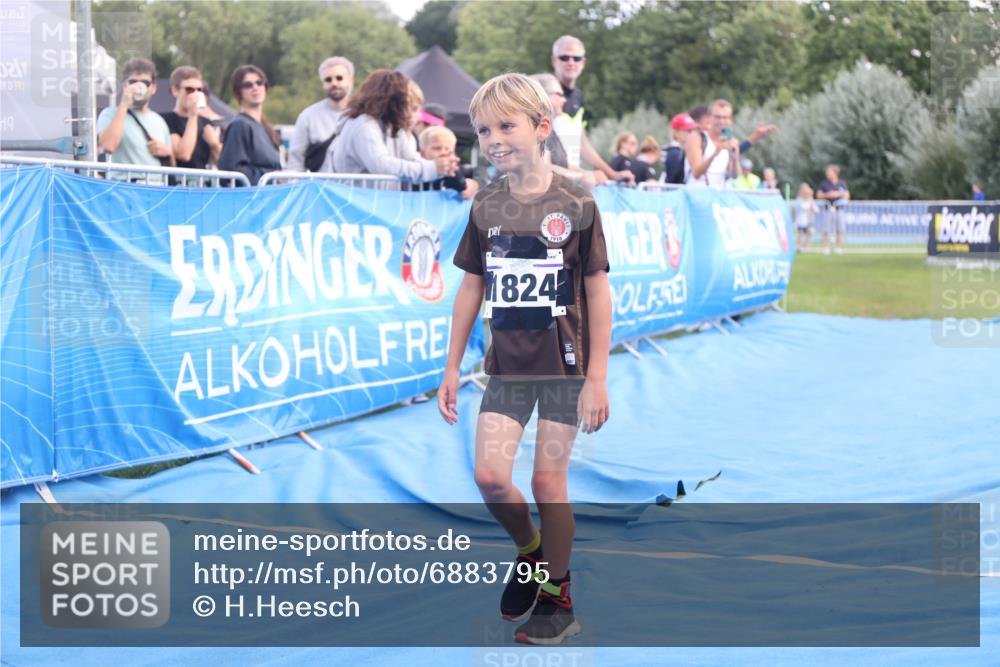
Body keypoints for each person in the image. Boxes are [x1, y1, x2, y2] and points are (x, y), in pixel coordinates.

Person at [438, 73, 611, 646]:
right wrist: (451, 366)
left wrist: (598, 378)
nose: (492, 138)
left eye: (506, 126)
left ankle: (559, 599)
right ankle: (531, 552)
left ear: (541, 128)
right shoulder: (486, 202)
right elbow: (471, 287)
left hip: (563, 370)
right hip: (506, 368)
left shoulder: (577, 201)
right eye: (483, 129)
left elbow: (597, 290)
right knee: (490, 477)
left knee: (546, 482)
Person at [327, 70, 458, 182]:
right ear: (392, 101)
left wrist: (445, 167)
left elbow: (411, 158)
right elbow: (381, 165)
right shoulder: (364, 125)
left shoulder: (392, 127)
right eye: (404, 102)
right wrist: (432, 168)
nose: (408, 110)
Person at [550, 35, 632, 183]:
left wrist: (613, 174)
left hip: (570, 182)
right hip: (547, 182)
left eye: (576, 58)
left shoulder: (578, 96)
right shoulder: (544, 93)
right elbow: (540, 152)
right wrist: (585, 175)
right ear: (554, 61)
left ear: (583, 63)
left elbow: (582, 143)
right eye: (564, 57)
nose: (571, 62)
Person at [96, 57, 173, 181]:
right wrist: (124, 104)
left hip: (156, 190)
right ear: (124, 85)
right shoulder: (110, 113)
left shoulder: (159, 121)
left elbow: (172, 163)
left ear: (153, 88)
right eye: (133, 82)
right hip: (125, 188)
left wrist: (166, 151)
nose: (139, 87)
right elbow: (108, 146)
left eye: (145, 83)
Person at [528, 73, 606, 190]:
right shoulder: (534, 132)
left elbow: (563, 164)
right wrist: (581, 177)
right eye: (559, 94)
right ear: (542, 97)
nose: (564, 100)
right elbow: (543, 168)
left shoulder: (549, 132)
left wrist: (587, 173)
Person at [287, 56, 354, 172]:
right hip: (320, 187)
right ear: (322, 83)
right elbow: (296, 158)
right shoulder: (308, 116)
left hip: (354, 187)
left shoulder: (363, 115)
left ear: (351, 79)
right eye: (328, 79)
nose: (334, 83)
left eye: (339, 78)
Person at [218, 65, 281, 185]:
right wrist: (272, 178)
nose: (255, 87)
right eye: (248, 85)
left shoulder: (265, 127)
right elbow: (233, 172)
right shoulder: (239, 126)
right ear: (238, 92)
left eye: (259, 82)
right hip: (250, 199)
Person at [161, 66, 223, 180]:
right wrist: (193, 114)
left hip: (202, 187)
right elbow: (184, 154)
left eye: (199, 90)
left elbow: (224, 165)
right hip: (177, 186)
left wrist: (215, 145)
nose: (195, 94)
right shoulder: (165, 120)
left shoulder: (207, 124)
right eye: (189, 89)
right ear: (175, 90)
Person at [686, 98, 739, 187]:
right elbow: (696, 173)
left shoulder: (730, 141)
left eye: (725, 118)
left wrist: (734, 158)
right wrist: (716, 153)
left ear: (730, 120)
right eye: (717, 117)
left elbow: (734, 176)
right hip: (696, 193)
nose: (721, 121)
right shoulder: (697, 138)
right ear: (709, 118)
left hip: (718, 195)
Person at [416, 125, 479, 200]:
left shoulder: (459, 172)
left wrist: (474, 184)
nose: (443, 153)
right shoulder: (413, 173)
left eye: (448, 149)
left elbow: (479, 175)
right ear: (422, 153)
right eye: (437, 148)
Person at [817, 164, 850, 254]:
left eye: (829, 172)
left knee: (840, 229)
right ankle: (826, 248)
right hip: (828, 208)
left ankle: (838, 248)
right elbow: (819, 195)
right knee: (826, 229)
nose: (827, 174)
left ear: (835, 173)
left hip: (839, 208)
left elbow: (847, 196)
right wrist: (829, 195)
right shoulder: (824, 183)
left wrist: (838, 194)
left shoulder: (842, 183)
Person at [662, 112, 698, 185]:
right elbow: (673, 180)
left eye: (693, 130)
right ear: (677, 132)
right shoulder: (675, 153)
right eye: (688, 131)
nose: (692, 133)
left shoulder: (678, 151)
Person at [794, 182, 817, 252]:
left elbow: (815, 209)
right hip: (801, 220)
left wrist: (811, 205)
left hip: (809, 220)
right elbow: (803, 208)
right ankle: (798, 247)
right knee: (799, 234)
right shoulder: (799, 200)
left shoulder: (811, 200)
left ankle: (808, 247)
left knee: (809, 234)